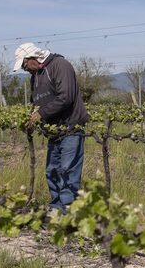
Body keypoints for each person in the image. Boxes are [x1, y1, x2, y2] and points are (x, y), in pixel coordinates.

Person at [13, 42, 89, 211]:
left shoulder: (60, 65)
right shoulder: (36, 74)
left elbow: (66, 96)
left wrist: (41, 114)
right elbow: (37, 100)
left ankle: (68, 213)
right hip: (53, 131)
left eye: (25, 65)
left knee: (68, 171)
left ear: (32, 58)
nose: (26, 70)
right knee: (52, 171)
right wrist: (31, 117)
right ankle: (56, 209)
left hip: (71, 127)